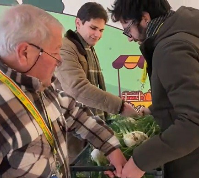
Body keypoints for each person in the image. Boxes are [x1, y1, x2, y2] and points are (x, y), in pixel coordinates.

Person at [0, 4, 126, 178]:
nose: (59, 61)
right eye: (55, 52)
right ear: (25, 52)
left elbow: (74, 113)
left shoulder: (38, 84)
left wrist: (111, 148)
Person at [108, 0, 199, 178]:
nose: (129, 37)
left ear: (145, 18)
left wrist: (140, 161)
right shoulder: (185, 37)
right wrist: (152, 110)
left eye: (127, 29)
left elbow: (196, 122)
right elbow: (189, 98)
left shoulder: (172, 49)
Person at [54, 2, 138, 164]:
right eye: (93, 28)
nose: (97, 35)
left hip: (89, 131)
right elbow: (77, 89)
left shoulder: (86, 48)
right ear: (78, 23)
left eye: (101, 30)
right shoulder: (66, 48)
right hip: (72, 134)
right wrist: (120, 106)